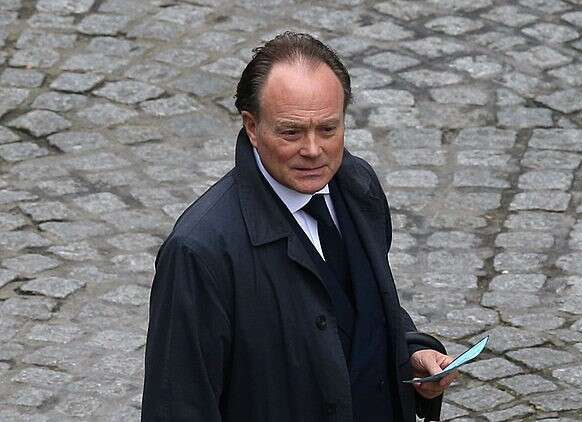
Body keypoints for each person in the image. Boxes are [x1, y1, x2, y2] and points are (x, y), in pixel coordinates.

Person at [142, 32, 457, 422]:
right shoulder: (199, 250)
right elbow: (178, 406)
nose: (312, 149)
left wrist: (408, 351)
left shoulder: (359, 186)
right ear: (252, 127)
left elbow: (363, 307)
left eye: (328, 129)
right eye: (291, 131)